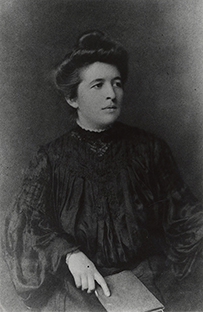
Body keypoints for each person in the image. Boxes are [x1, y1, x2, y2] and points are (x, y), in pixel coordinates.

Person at [2, 30, 203, 312]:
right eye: (98, 85)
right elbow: (23, 228)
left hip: (149, 281)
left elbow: (187, 219)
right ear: (73, 99)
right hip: (78, 289)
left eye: (117, 83)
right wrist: (69, 255)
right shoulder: (50, 159)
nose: (112, 94)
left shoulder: (149, 149)